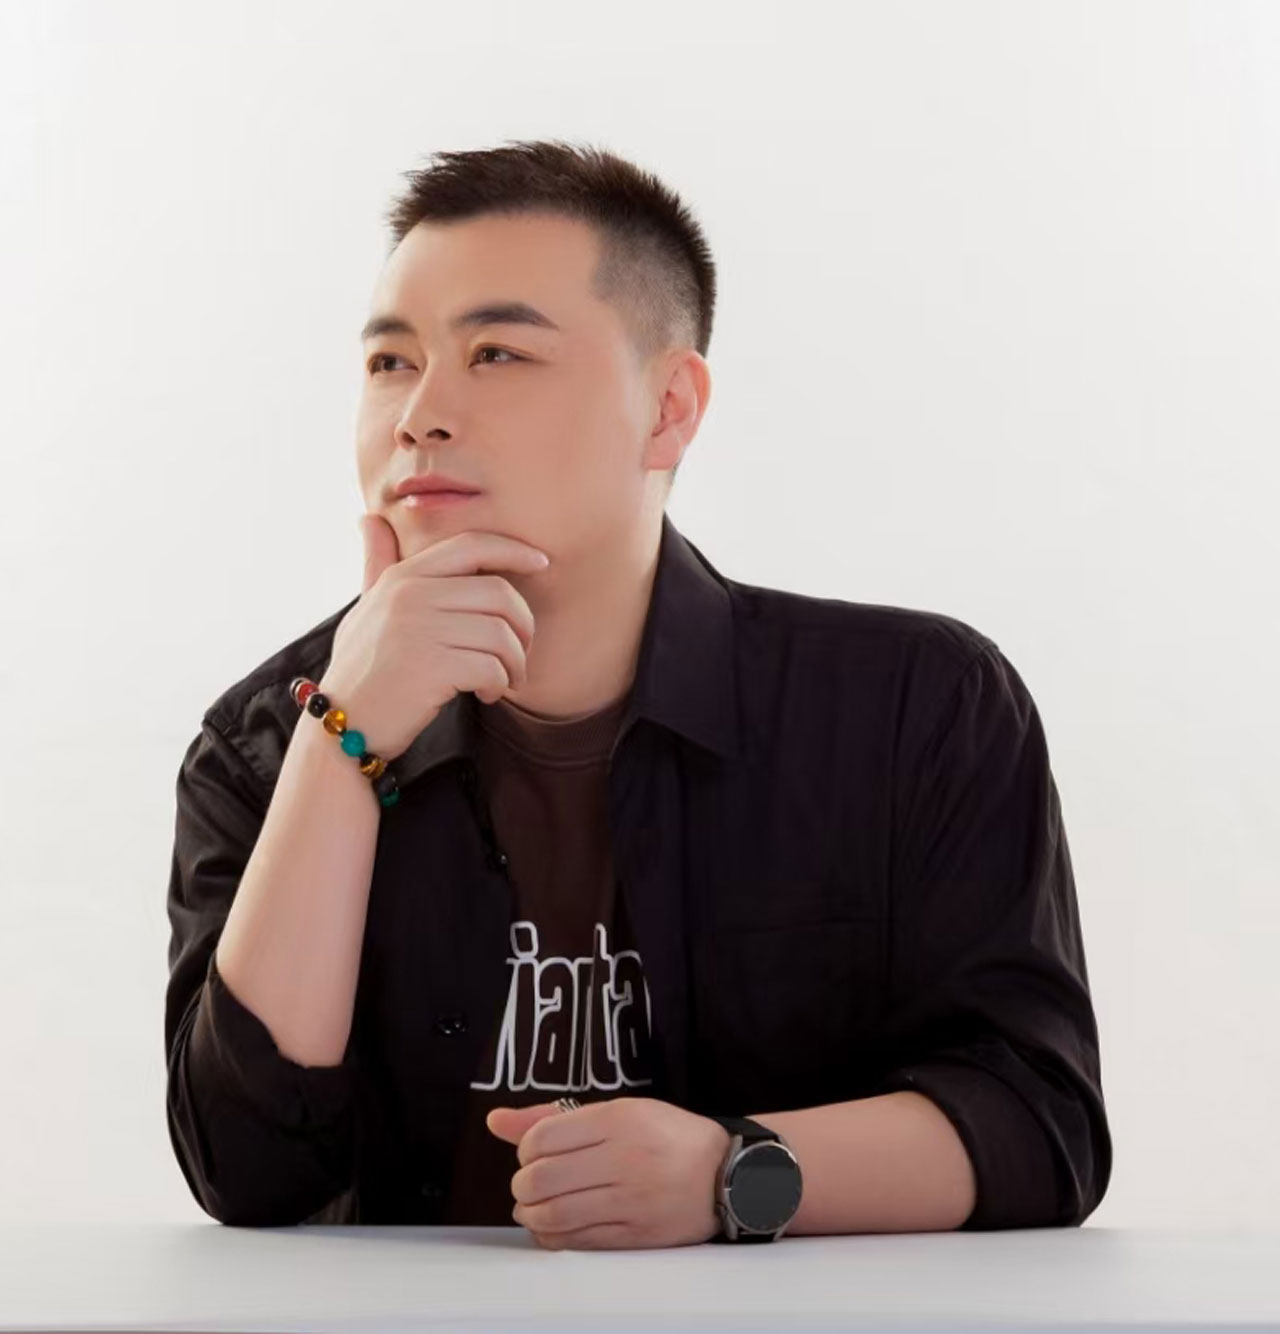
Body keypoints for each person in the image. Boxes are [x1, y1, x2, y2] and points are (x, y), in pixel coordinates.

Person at [164, 138, 1111, 1248]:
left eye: (497, 353)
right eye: (389, 362)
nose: (419, 412)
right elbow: (247, 1171)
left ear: (669, 407)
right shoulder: (261, 743)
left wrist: (734, 1171)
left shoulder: (919, 710)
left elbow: (1040, 1121)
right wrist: (342, 735)